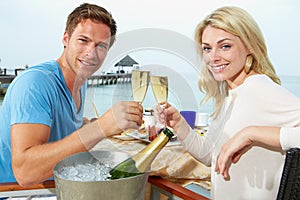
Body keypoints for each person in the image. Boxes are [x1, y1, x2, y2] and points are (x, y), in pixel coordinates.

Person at [155, 6, 300, 199]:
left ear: (249, 46)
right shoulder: (230, 94)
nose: (213, 57)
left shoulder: (259, 89)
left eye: (225, 46)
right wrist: (179, 124)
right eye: (207, 48)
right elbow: (209, 155)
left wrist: (251, 134)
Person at [0, 3, 143, 187]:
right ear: (66, 39)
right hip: (17, 191)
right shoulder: (34, 84)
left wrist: (92, 124)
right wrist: (101, 127)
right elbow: (25, 173)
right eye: (83, 40)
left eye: (101, 46)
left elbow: (59, 128)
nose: (91, 53)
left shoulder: (79, 82)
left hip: (57, 183)